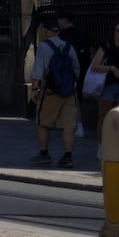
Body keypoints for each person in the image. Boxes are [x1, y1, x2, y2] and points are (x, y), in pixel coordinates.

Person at [30, 18, 80, 168]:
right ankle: (68, 156)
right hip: (69, 92)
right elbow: (77, 70)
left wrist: (35, 89)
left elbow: (37, 73)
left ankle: (44, 154)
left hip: (50, 92)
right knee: (68, 126)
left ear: (45, 31)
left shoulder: (44, 48)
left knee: (42, 122)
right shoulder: (69, 47)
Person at [90, 21, 119, 157]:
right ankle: (101, 146)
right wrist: (111, 69)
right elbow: (95, 66)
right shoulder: (105, 47)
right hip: (108, 85)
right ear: (113, 32)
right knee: (104, 116)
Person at [56, 13, 91, 138]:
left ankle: (77, 124)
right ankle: (77, 124)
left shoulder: (62, 36)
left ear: (64, 19)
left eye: (59, 19)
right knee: (76, 98)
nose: (58, 22)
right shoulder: (82, 34)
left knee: (71, 99)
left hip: (67, 71)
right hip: (83, 69)